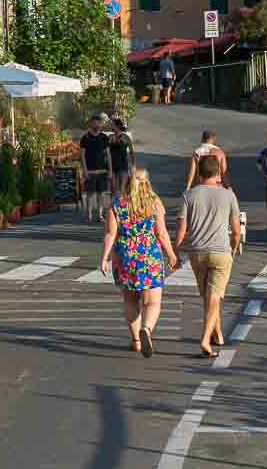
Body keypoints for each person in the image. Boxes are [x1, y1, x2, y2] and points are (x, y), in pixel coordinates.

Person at [98, 168, 179, 357]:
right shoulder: (154, 203)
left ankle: (135, 340)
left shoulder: (117, 205)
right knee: (152, 302)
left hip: (126, 257)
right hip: (149, 257)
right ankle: (147, 329)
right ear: (147, 183)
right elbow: (161, 233)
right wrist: (171, 254)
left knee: (130, 300)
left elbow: (110, 234)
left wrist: (104, 258)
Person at [174, 154, 240, 356]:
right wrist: (234, 248)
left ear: (199, 173)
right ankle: (205, 340)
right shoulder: (229, 195)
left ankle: (217, 334)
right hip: (221, 252)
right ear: (218, 173)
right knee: (214, 297)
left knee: (208, 297)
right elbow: (236, 231)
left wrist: (174, 251)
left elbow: (181, 229)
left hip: (197, 252)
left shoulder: (188, 195)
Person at [78, 115, 112, 222]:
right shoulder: (85, 138)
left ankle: (100, 215)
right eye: (95, 123)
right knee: (89, 194)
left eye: (99, 123)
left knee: (101, 194)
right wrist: (85, 170)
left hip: (102, 170)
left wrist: (110, 170)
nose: (97, 125)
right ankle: (89, 215)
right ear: (91, 124)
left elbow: (108, 155)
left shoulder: (104, 138)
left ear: (101, 124)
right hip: (90, 171)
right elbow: (82, 155)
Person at [107, 117, 135, 199]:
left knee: (123, 190)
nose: (111, 127)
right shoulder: (110, 137)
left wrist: (133, 165)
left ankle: (124, 209)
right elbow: (105, 151)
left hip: (123, 166)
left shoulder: (125, 137)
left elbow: (132, 152)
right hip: (112, 166)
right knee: (113, 190)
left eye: (112, 125)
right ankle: (112, 209)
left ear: (118, 126)